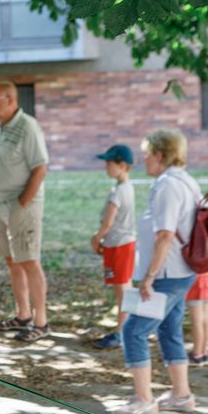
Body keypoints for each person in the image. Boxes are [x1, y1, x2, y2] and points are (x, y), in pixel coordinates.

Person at [112, 128, 200, 414]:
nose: (144, 159)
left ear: (160, 155)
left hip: (166, 273)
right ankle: (181, 395)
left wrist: (149, 277)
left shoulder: (166, 185)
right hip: (182, 271)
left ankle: (144, 400)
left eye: (147, 154)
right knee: (169, 329)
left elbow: (165, 235)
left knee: (133, 330)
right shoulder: (186, 181)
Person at [0, 81, 51, 342]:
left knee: (29, 261)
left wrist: (22, 203)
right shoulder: (3, 127)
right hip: (0, 204)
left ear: (12, 100)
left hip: (21, 205)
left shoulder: (28, 126)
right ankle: (22, 315)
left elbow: (40, 168)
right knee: (12, 261)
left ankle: (41, 322)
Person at [90, 144, 137, 350]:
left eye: (109, 163)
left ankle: (122, 332)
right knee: (125, 287)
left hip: (118, 244)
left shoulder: (118, 192)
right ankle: (128, 327)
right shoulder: (127, 187)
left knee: (122, 289)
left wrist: (96, 238)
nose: (106, 166)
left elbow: (108, 223)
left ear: (123, 165)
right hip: (124, 243)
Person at [186, 271, 208, 366]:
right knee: (205, 317)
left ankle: (197, 354)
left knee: (197, 319)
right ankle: (204, 352)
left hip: (195, 279)